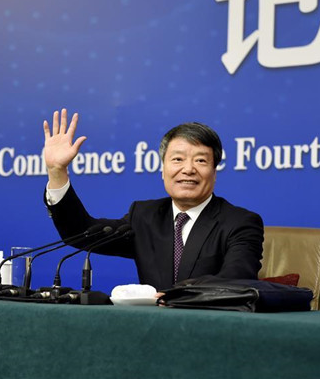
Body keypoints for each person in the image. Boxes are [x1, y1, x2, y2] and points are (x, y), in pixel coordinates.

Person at [43, 108, 263, 291]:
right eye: (177, 159)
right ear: (163, 170)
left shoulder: (240, 223)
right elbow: (81, 233)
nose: (188, 169)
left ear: (214, 173)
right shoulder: (145, 216)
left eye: (200, 161)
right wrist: (56, 172)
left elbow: (235, 280)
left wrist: (171, 297)